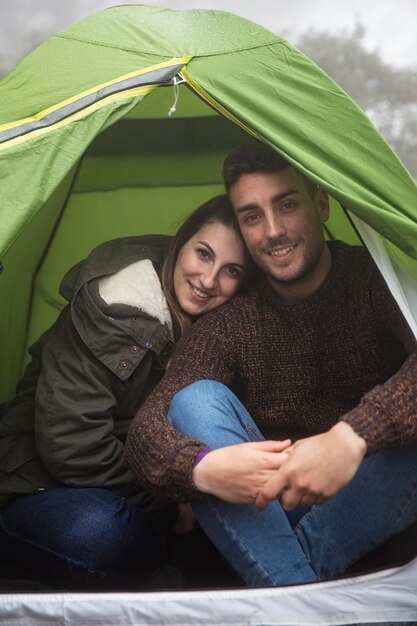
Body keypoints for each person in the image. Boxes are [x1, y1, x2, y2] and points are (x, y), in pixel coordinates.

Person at [125, 140, 417, 587]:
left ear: (322, 204)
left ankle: (287, 586)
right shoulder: (233, 318)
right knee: (195, 400)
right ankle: (299, 586)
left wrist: (353, 436)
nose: (273, 231)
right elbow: (148, 427)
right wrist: (200, 468)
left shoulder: (375, 280)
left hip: (365, 495)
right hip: (267, 508)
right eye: (252, 217)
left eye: (287, 205)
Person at [0, 195, 250, 589]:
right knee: (98, 531)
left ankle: (172, 559)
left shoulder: (220, 326)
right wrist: (167, 510)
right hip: (39, 484)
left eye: (231, 270)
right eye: (203, 254)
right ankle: (169, 561)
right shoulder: (115, 307)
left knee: (239, 513)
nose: (208, 280)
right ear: (181, 242)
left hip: (140, 489)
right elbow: (70, 443)